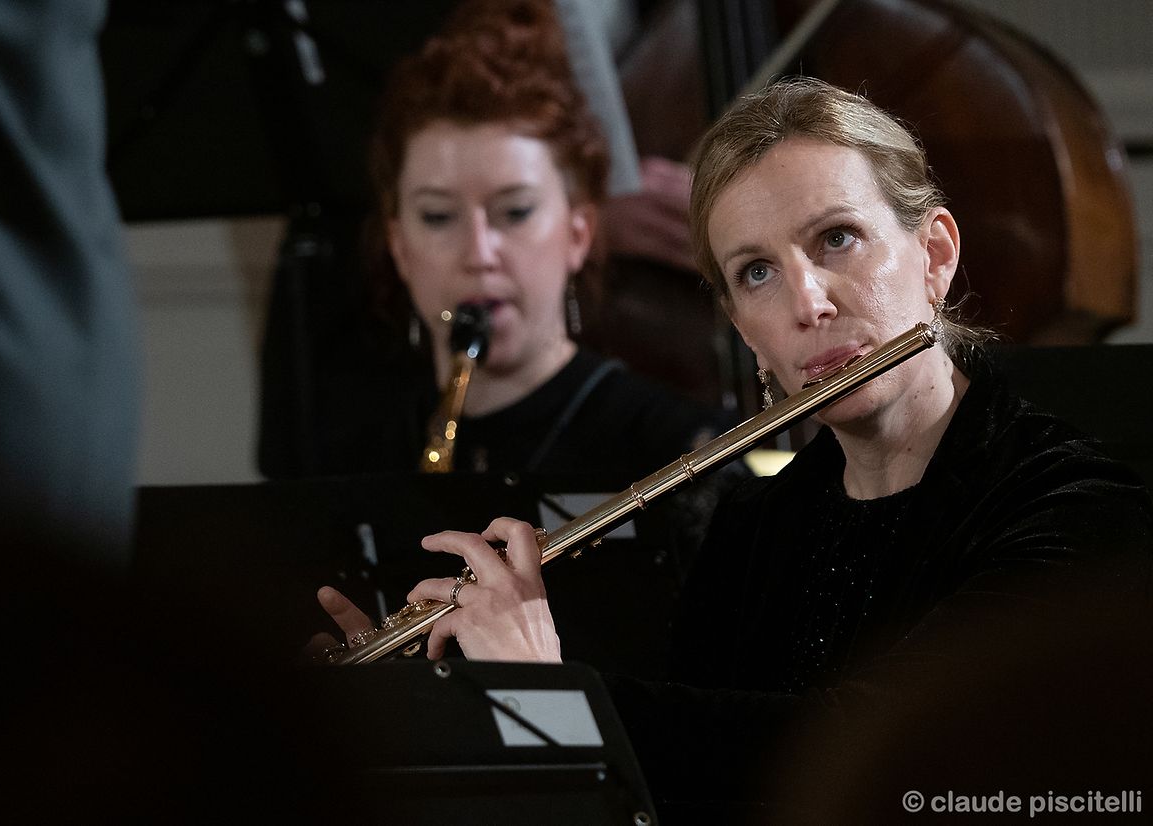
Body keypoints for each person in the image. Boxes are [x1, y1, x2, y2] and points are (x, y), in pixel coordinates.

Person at [319, 77, 1153, 818]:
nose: (807, 302)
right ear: (741, 329)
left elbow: (888, 755)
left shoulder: (1077, 506)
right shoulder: (754, 525)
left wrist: (558, 696)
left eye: (837, 239)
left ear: (934, 255)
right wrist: (418, 707)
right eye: (756, 272)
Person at [296, 0, 726, 479]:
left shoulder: (688, 452)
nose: (479, 254)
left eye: (515, 212)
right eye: (438, 216)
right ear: (399, 247)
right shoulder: (350, 463)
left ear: (578, 232)